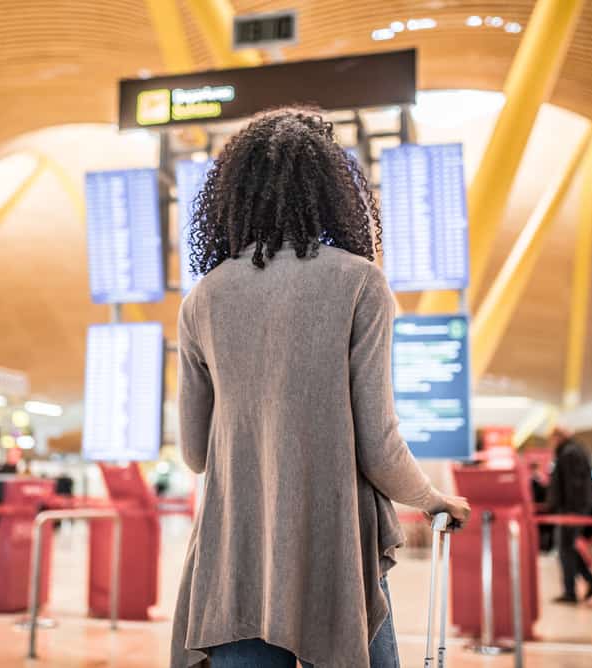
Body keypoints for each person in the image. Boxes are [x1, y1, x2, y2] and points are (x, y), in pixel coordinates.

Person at [171, 108, 471, 667]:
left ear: (233, 194)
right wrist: (435, 500)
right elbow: (378, 445)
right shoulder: (360, 283)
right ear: (333, 191)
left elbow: (193, 453)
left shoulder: (203, 299)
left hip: (235, 568)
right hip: (332, 562)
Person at [546, 426, 592, 604]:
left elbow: (573, 485)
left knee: (564, 548)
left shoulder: (569, 453)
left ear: (557, 437)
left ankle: (571, 592)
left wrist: (565, 510)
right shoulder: (575, 450)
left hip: (571, 509)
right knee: (568, 547)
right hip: (576, 507)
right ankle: (589, 581)